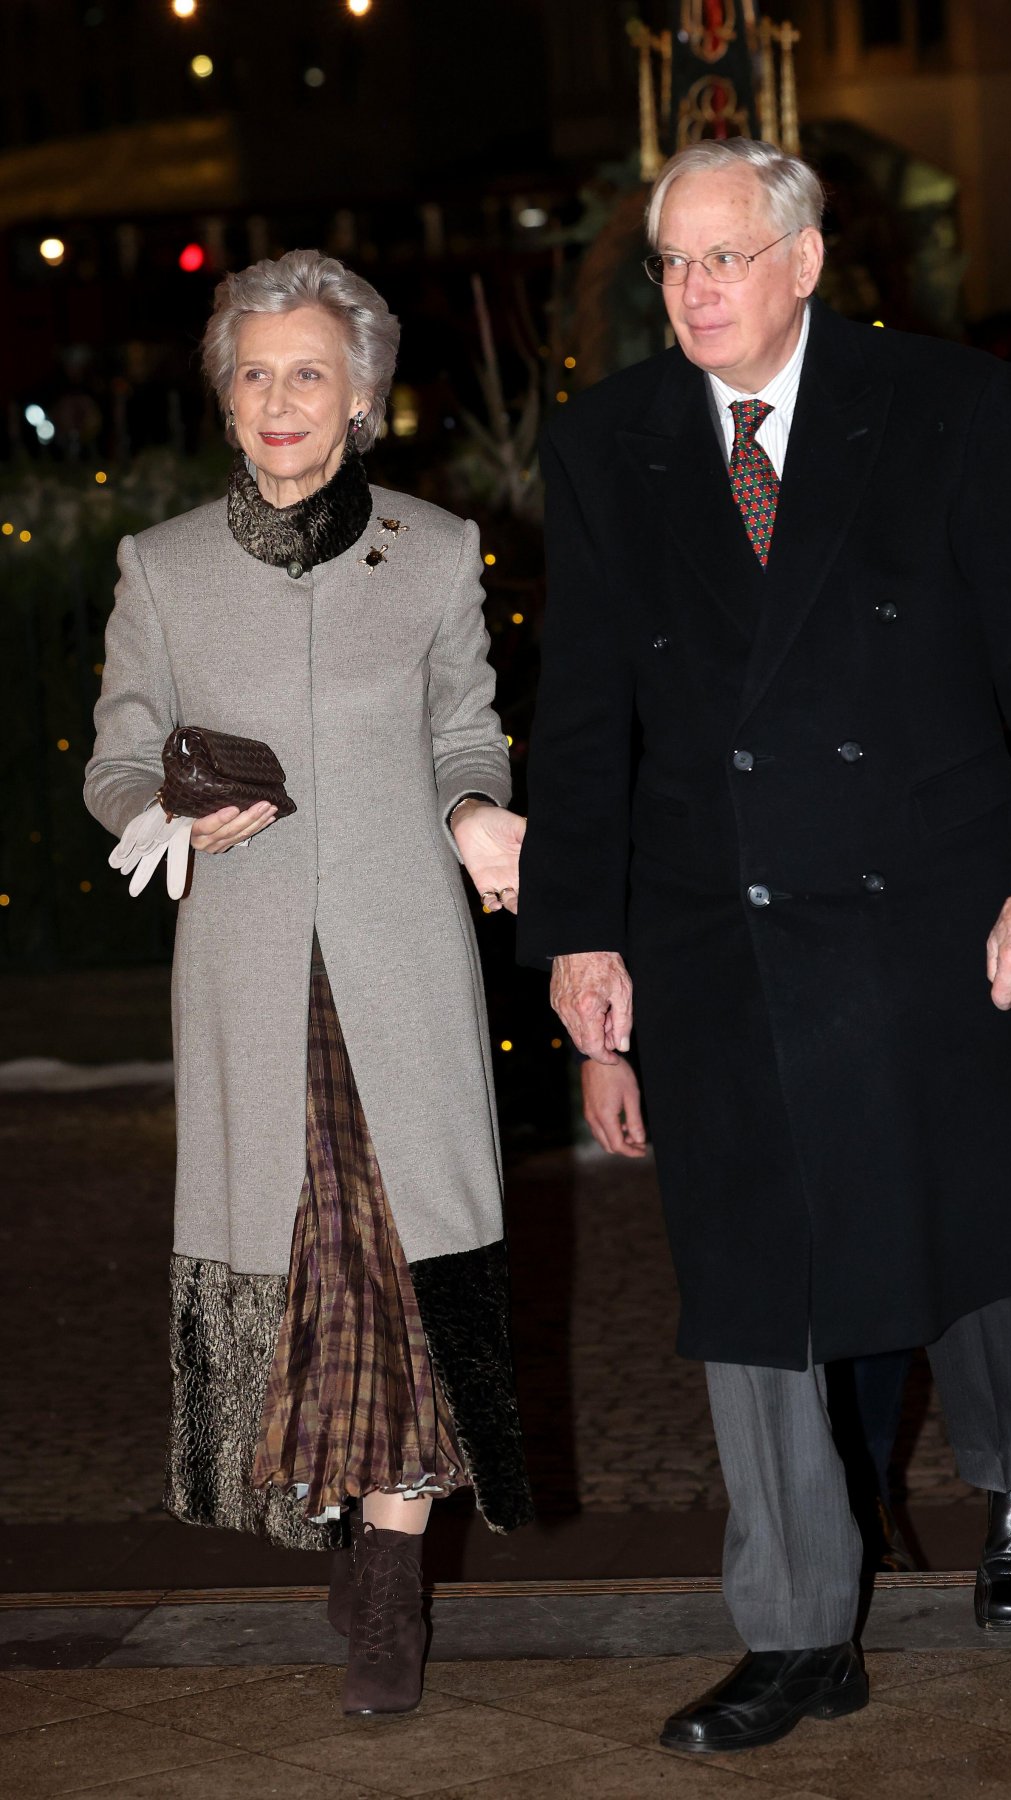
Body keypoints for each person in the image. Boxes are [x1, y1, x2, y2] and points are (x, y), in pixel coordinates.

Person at [517, 140, 1011, 1754]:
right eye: (674, 265)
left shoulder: (945, 408)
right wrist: (581, 945)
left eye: (727, 259)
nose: (697, 291)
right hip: (722, 931)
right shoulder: (610, 448)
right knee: (751, 1290)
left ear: (802, 263)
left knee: (976, 1245)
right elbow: (582, 725)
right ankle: (798, 1633)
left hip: (940, 908)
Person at [84, 249, 531, 1717]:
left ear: (365, 398)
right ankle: (337, 1515)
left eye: (311, 373)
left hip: (404, 961)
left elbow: (468, 729)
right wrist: (158, 814)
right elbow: (115, 752)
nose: (283, 399)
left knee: (405, 1264)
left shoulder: (438, 547)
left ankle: (394, 1584)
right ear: (226, 394)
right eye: (257, 372)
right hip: (248, 975)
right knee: (302, 1268)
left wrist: (476, 811)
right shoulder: (162, 567)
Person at [581, 1054, 915, 1571]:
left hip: (858, 1021)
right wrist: (600, 1052)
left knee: (872, 1256)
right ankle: (804, 1527)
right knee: (763, 1262)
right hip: (724, 1036)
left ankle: (866, 1498)